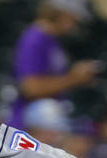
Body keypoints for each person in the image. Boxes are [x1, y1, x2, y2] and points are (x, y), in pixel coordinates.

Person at [10, 0, 101, 129]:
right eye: (73, 18)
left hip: (48, 124)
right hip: (32, 126)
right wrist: (74, 78)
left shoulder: (52, 40)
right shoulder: (35, 38)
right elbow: (31, 87)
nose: (75, 24)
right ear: (61, 13)